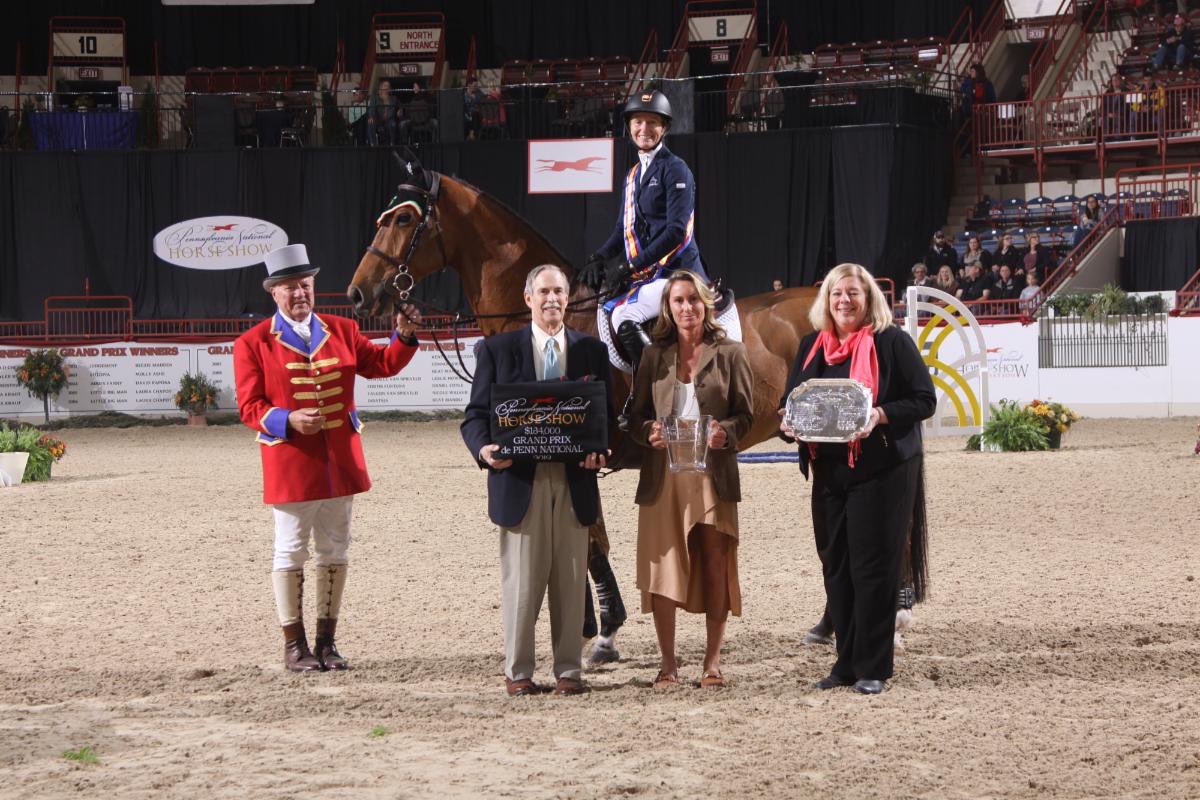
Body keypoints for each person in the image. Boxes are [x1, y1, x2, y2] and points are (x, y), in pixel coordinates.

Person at [234, 244, 422, 672]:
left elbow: (382, 364)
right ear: (273, 293)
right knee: (290, 551)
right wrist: (287, 419)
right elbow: (249, 408)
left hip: (340, 462)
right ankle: (294, 646)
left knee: (335, 550)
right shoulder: (253, 342)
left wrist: (405, 335)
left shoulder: (341, 329)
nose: (299, 293)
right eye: (289, 287)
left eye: (305, 285)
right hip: (292, 465)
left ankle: (327, 642)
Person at [778, 263, 935, 695]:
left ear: (869, 300)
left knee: (873, 569)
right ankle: (844, 663)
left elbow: (924, 400)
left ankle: (873, 667)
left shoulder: (891, 342)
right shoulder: (812, 347)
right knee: (836, 568)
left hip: (882, 471)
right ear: (826, 302)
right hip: (828, 473)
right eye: (836, 294)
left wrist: (880, 415)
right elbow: (788, 403)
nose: (844, 301)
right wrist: (787, 423)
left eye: (853, 293)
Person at [461, 264, 615, 697]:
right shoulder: (497, 350)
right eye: (544, 292)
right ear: (528, 298)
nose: (552, 300)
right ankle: (519, 672)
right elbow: (475, 417)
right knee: (522, 585)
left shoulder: (591, 351)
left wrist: (600, 450)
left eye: (559, 292)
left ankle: (569, 672)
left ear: (568, 298)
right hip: (519, 482)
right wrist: (484, 450)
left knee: (570, 582)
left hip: (574, 481)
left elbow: (603, 419)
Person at [627, 270, 753, 689]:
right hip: (664, 476)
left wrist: (726, 434)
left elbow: (746, 415)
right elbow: (634, 417)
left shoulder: (732, 353)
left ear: (706, 305)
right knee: (664, 570)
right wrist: (648, 432)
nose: (687, 308)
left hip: (711, 475)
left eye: (694, 300)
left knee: (716, 564)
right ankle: (667, 665)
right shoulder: (651, 357)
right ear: (668, 307)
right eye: (679, 301)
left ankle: (712, 663)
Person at [579, 90, 707, 381]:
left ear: (664, 128)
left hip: (677, 272)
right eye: (638, 122)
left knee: (625, 315)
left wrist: (629, 266)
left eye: (652, 123)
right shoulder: (633, 174)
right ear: (629, 127)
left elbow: (676, 231)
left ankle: (660, 390)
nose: (644, 129)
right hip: (651, 272)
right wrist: (599, 256)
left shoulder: (675, 169)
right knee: (602, 301)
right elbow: (624, 229)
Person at [366, 79, 399, 146]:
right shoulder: (375, 97)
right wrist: (371, 116)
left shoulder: (394, 98)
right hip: (378, 119)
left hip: (389, 120)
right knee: (370, 122)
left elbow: (400, 106)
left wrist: (399, 110)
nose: (387, 87)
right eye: (385, 85)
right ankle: (373, 144)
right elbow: (372, 108)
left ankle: (392, 143)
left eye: (388, 86)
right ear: (381, 87)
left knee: (392, 124)